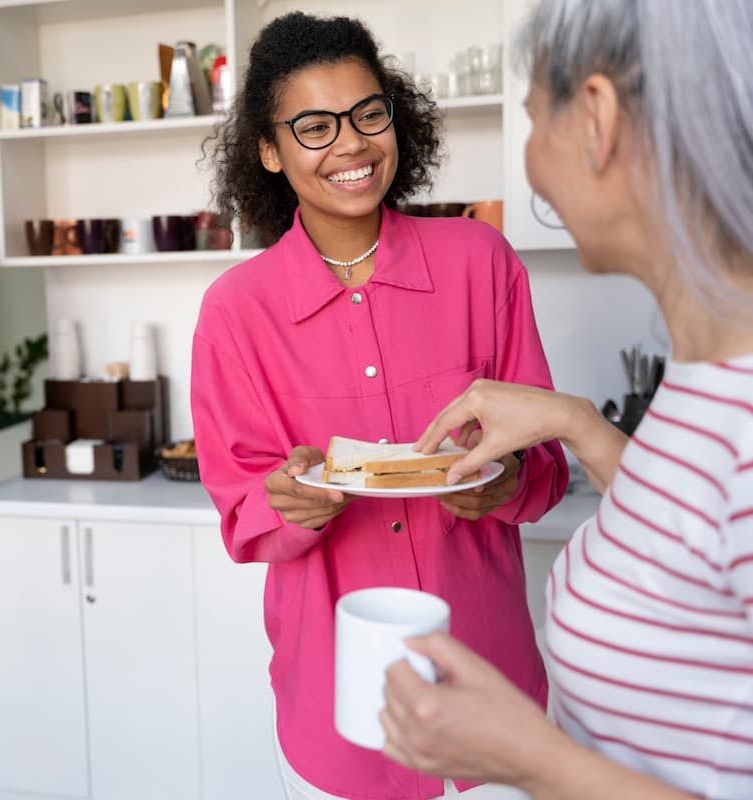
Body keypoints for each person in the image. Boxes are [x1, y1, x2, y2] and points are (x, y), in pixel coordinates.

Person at [191, 12, 569, 800]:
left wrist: (508, 481)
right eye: (314, 126)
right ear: (269, 149)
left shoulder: (480, 262)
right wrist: (288, 500)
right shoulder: (237, 311)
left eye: (369, 113)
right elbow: (242, 512)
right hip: (335, 709)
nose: (353, 144)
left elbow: (546, 465)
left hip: (490, 696)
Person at [379, 2, 753, 800]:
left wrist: (528, 757)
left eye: (528, 119)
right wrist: (578, 423)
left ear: (596, 117)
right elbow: (693, 536)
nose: (530, 158)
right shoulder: (705, 375)